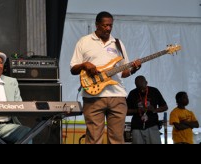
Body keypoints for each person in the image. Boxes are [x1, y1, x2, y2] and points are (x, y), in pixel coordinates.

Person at [70, 11, 142, 144]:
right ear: (97, 25)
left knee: (117, 139)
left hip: (117, 96)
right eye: (105, 25)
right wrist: (85, 65)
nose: (108, 28)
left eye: (110, 25)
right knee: (93, 138)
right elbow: (73, 69)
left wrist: (134, 69)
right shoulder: (84, 42)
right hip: (93, 96)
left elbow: (123, 72)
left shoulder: (118, 44)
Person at [126, 75, 168, 144]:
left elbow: (165, 107)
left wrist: (154, 110)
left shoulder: (154, 91)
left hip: (152, 125)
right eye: (139, 88)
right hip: (137, 126)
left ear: (146, 83)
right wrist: (137, 111)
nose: (142, 90)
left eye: (143, 88)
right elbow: (125, 111)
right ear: (136, 86)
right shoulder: (132, 93)